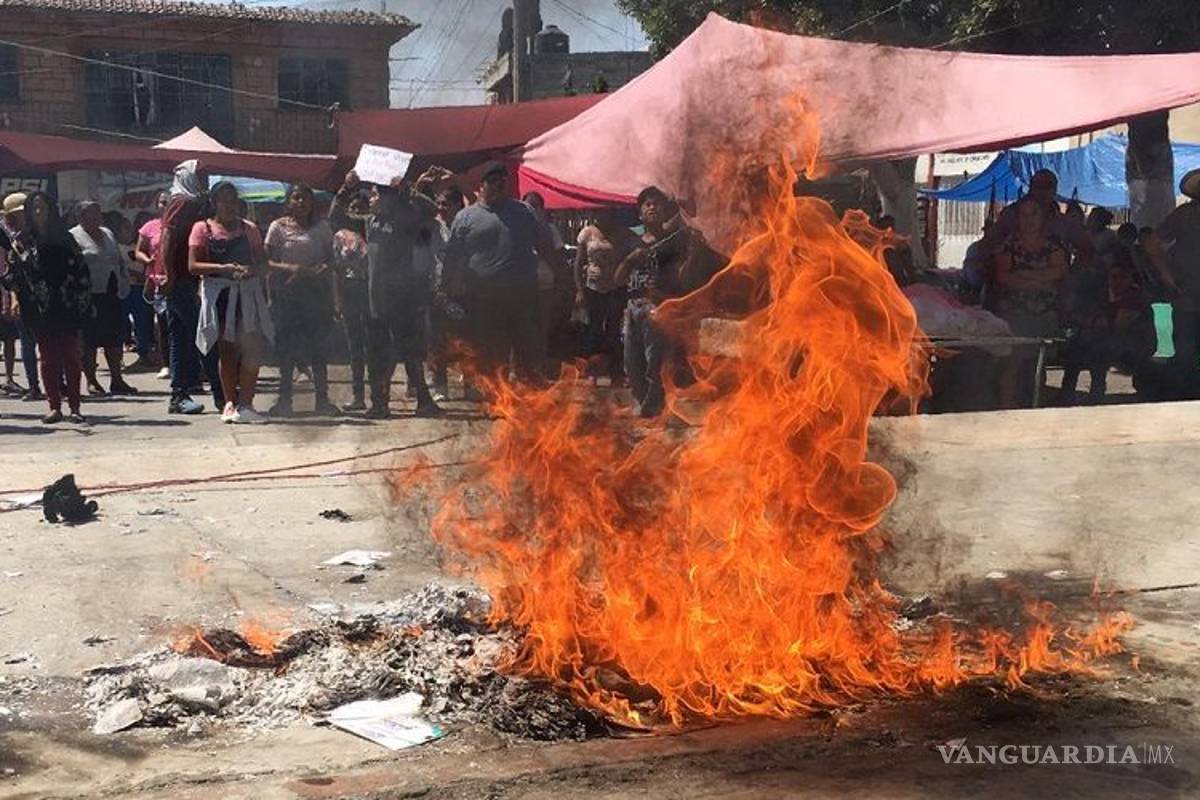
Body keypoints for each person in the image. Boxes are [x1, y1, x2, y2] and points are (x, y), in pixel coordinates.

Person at [441, 161, 566, 389]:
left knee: (527, 351)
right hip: (483, 300)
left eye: (502, 181)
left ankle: (529, 403)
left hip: (522, 297)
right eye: (493, 182)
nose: (499, 186)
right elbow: (453, 257)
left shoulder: (525, 212)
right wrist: (446, 288)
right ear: (482, 185)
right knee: (491, 353)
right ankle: (496, 398)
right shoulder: (466, 217)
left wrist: (560, 279)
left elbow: (546, 247)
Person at [332, 170, 441, 419]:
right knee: (379, 353)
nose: (372, 199)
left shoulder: (405, 218)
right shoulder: (372, 221)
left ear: (391, 198)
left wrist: (412, 191)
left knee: (407, 351)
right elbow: (336, 216)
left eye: (377, 194)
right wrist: (345, 188)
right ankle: (381, 403)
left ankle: (421, 401)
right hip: (377, 299)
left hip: (402, 297)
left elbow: (432, 211)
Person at [613, 186, 705, 418]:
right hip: (632, 308)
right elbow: (616, 279)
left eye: (657, 204)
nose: (652, 207)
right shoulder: (630, 241)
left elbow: (684, 277)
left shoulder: (674, 242)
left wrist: (693, 252)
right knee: (631, 362)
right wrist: (629, 260)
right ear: (640, 213)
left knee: (656, 362)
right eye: (647, 204)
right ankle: (643, 403)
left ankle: (654, 408)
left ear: (665, 212)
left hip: (658, 307)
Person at [188, 181, 274, 424]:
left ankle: (247, 403)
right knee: (227, 350)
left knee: (251, 349)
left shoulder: (249, 229)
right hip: (221, 295)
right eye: (224, 199)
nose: (229, 205)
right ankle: (229, 403)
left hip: (247, 294)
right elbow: (193, 266)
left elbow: (263, 264)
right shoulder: (202, 228)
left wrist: (251, 271)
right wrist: (222, 268)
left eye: (233, 199)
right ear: (215, 203)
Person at [6, 192, 92, 423]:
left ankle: (75, 406)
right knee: (47, 358)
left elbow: (81, 271)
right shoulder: (22, 241)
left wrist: (82, 301)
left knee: (71, 357)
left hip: (66, 303)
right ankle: (54, 405)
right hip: (38, 306)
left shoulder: (65, 238)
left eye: (42, 207)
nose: (38, 212)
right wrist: (14, 300)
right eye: (33, 208)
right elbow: (14, 275)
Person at [264, 183, 338, 417]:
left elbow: (332, 257)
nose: (301, 202)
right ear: (288, 202)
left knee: (319, 349)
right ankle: (284, 400)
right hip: (287, 294)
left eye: (305, 198)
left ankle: (323, 400)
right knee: (287, 350)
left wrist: (323, 268)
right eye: (296, 198)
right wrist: (291, 268)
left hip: (316, 294)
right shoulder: (277, 227)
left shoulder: (322, 227)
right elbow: (265, 262)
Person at [991, 196, 1070, 408]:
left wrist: (1024, 275)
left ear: (1043, 217)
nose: (1029, 220)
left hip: (1045, 314)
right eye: (1024, 215)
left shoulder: (1054, 244)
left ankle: (1036, 408)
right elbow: (1003, 277)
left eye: (1034, 214)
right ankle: (1006, 409)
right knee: (1012, 366)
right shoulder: (1008, 245)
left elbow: (1059, 271)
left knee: (1038, 365)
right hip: (1014, 314)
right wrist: (1040, 278)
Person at [159, 161, 223, 415]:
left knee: (180, 337)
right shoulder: (182, 203)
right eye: (200, 176)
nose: (204, 181)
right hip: (183, 280)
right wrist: (168, 273)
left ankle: (180, 392)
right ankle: (221, 393)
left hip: (185, 279)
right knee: (202, 335)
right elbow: (167, 236)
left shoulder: (190, 201)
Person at [72, 200, 136, 396]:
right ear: (80, 217)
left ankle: (117, 379)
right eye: (90, 214)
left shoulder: (107, 233)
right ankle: (91, 380)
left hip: (111, 292)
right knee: (90, 340)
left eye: (97, 213)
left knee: (114, 339)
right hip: (88, 294)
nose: (95, 217)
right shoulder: (73, 236)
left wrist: (124, 280)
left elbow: (118, 260)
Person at [575, 208, 639, 382]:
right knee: (594, 330)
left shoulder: (624, 234)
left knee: (613, 330)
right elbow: (579, 263)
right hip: (593, 288)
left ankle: (616, 372)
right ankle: (592, 373)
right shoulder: (587, 233)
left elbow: (638, 251)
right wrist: (580, 290)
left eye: (606, 212)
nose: (602, 215)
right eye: (599, 212)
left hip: (616, 288)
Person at [1146, 168, 1200, 375]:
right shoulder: (1184, 215)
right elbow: (1152, 243)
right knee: (1185, 355)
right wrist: (1166, 275)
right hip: (1186, 296)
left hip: (1185, 294)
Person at [330, 184, 372, 412]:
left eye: (362, 207)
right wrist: (337, 299)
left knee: (376, 345)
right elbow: (335, 269)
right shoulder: (340, 236)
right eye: (354, 207)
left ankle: (379, 394)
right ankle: (358, 396)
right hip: (350, 291)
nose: (358, 210)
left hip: (373, 291)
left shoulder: (375, 230)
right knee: (355, 347)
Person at [0, 193, 40, 401]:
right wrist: (12, 298)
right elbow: (12, 274)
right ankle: (34, 384)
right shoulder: (15, 241)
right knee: (26, 342)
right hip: (22, 296)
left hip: (46, 297)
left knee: (50, 342)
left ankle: (60, 385)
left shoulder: (44, 235)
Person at [428, 185, 465, 401]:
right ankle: (440, 385)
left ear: (457, 205)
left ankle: (470, 383)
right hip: (437, 291)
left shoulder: (466, 225)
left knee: (465, 338)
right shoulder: (431, 227)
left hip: (462, 290)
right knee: (437, 340)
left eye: (446, 203)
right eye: (439, 203)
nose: (441, 207)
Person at [522, 191, 565, 377]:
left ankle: (539, 369)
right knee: (522, 329)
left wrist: (560, 283)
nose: (532, 209)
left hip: (546, 285)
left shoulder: (550, 229)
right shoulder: (517, 230)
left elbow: (558, 256)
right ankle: (521, 370)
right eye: (528, 205)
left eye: (535, 206)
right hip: (522, 286)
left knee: (542, 328)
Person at [135, 192, 171, 380]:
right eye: (162, 202)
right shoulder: (150, 227)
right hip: (156, 280)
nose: (165, 205)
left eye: (169, 202)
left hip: (177, 280)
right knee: (162, 324)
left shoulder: (182, 225)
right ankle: (166, 363)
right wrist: (148, 260)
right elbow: (138, 251)